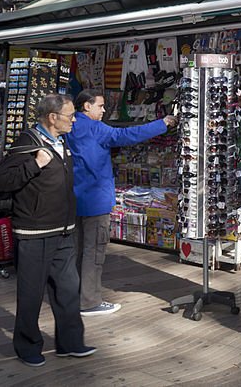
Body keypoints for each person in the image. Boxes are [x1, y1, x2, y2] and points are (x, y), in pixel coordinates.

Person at [0, 94, 94, 367]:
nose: (74, 120)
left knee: (68, 290)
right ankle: (27, 346)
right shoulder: (26, 144)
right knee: (30, 293)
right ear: (52, 117)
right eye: (70, 115)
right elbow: (1, 182)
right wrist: (34, 164)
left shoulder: (62, 142)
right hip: (34, 232)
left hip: (63, 231)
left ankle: (71, 343)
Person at [67, 89, 177, 316]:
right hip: (96, 202)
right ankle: (89, 302)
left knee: (77, 251)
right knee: (93, 252)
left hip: (74, 199)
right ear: (87, 106)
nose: (104, 110)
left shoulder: (70, 126)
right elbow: (126, 135)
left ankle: (76, 297)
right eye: (100, 105)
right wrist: (163, 123)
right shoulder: (96, 129)